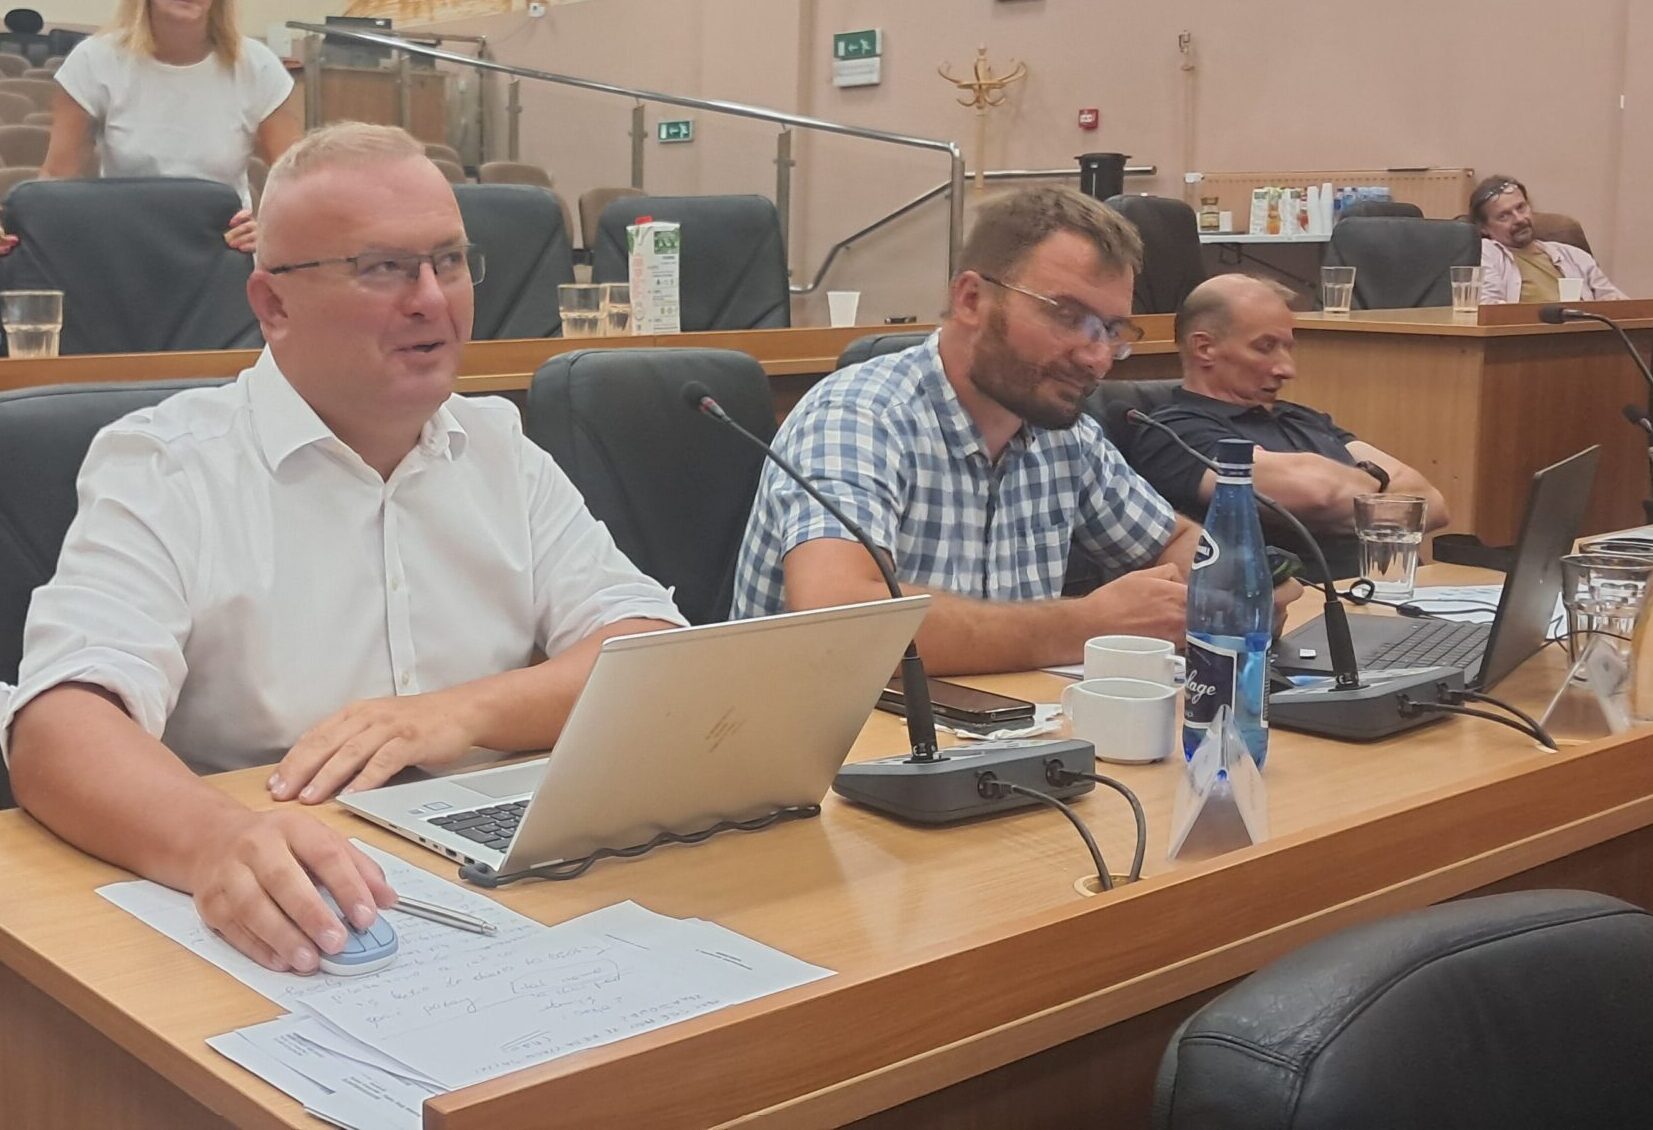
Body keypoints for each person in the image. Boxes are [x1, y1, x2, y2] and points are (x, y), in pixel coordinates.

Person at [0, 122, 684, 974]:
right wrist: (217, 841)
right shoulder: (168, 466)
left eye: (449, 260)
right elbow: (59, 728)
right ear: (273, 305)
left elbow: (649, 649)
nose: (431, 299)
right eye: (383, 267)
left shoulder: (498, 446)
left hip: (500, 887)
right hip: (286, 910)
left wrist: (456, 714)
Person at [733, 186, 1294, 675]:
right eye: (1067, 317)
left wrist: (1232, 586)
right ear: (971, 299)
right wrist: (1087, 623)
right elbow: (839, 616)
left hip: (1002, 735)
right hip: (829, 747)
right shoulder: (859, 417)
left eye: (1110, 329)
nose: (1096, 357)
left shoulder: (1062, 430)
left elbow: (1170, 542)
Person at [1132, 274, 1449, 581]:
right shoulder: (1174, 432)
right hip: (1308, 603)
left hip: (1396, 592)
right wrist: (1381, 487)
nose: (1287, 369)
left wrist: (1349, 495)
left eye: (1287, 348)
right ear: (1204, 348)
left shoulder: (1303, 418)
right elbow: (1319, 494)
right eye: (1265, 346)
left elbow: (1432, 504)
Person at [34, 0, 301, 253]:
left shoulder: (258, 66)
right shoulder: (94, 59)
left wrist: (270, 231)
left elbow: (296, 181)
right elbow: (57, 177)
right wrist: (22, 227)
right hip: (124, 248)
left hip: (223, 252)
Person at [1472, 175, 1625, 304]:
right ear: (1484, 228)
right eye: (1504, 216)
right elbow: (1489, 308)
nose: (1519, 219)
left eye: (1521, 208)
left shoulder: (1574, 256)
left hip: (1584, 327)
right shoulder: (1485, 253)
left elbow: (1618, 303)